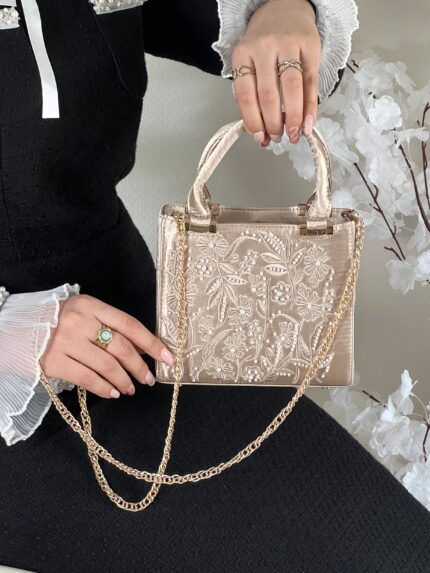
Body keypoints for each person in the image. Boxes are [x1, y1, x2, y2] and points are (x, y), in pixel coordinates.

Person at [0, 1, 429, 572]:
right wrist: (12, 329)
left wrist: (285, 11)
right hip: (16, 416)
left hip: (147, 350)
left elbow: (217, 15)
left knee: (397, 549)